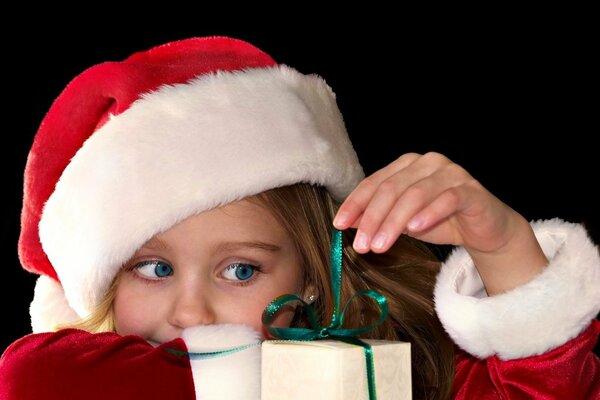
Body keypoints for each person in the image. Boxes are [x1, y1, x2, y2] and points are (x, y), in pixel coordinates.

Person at [0, 36, 598, 400]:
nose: (189, 312)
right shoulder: (69, 380)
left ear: (312, 277)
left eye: (240, 271)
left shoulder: (389, 379)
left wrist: (505, 248)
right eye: (153, 267)